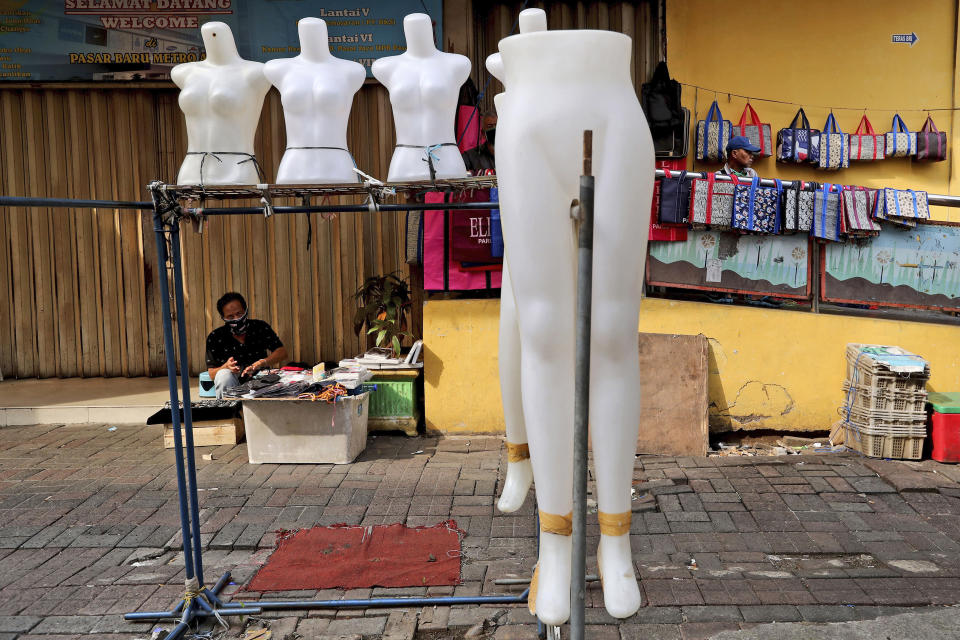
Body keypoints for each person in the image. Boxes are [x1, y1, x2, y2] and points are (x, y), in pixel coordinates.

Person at [206, 292, 287, 399]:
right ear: (223, 317)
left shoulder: (260, 327)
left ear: (245, 311)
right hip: (232, 385)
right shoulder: (215, 337)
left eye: (239, 314)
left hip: (260, 382)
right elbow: (212, 374)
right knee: (223, 375)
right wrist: (225, 367)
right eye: (230, 316)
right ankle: (230, 412)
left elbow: (281, 352)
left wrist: (261, 363)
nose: (236, 318)